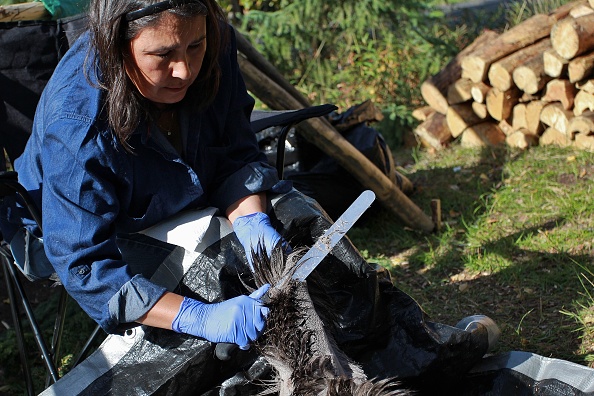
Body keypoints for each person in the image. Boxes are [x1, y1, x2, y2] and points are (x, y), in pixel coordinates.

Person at [2, 0, 290, 350]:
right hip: (70, 233)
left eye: (194, 46)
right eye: (163, 54)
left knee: (288, 215)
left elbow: (235, 152)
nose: (184, 70)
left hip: (170, 194)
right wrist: (196, 315)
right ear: (117, 47)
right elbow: (85, 264)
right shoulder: (78, 124)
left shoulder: (214, 43)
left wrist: (253, 223)